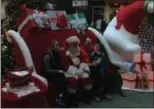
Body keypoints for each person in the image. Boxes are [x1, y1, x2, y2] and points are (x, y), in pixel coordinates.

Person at [62, 36, 93, 107]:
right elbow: (65, 65)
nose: (75, 45)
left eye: (76, 44)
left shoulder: (79, 50)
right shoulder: (66, 53)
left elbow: (84, 59)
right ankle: (71, 101)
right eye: (74, 44)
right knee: (73, 81)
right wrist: (76, 71)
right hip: (71, 71)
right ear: (70, 44)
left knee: (87, 78)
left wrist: (81, 68)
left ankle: (86, 98)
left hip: (80, 69)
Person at [43, 40, 67, 107]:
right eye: (56, 45)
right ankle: (58, 99)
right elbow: (46, 69)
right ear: (52, 46)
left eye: (58, 45)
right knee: (61, 81)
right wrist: (57, 71)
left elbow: (59, 64)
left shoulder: (58, 53)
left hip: (58, 72)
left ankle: (61, 97)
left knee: (64, 79)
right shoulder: (48, 56)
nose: (57, 47)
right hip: (50, 74)